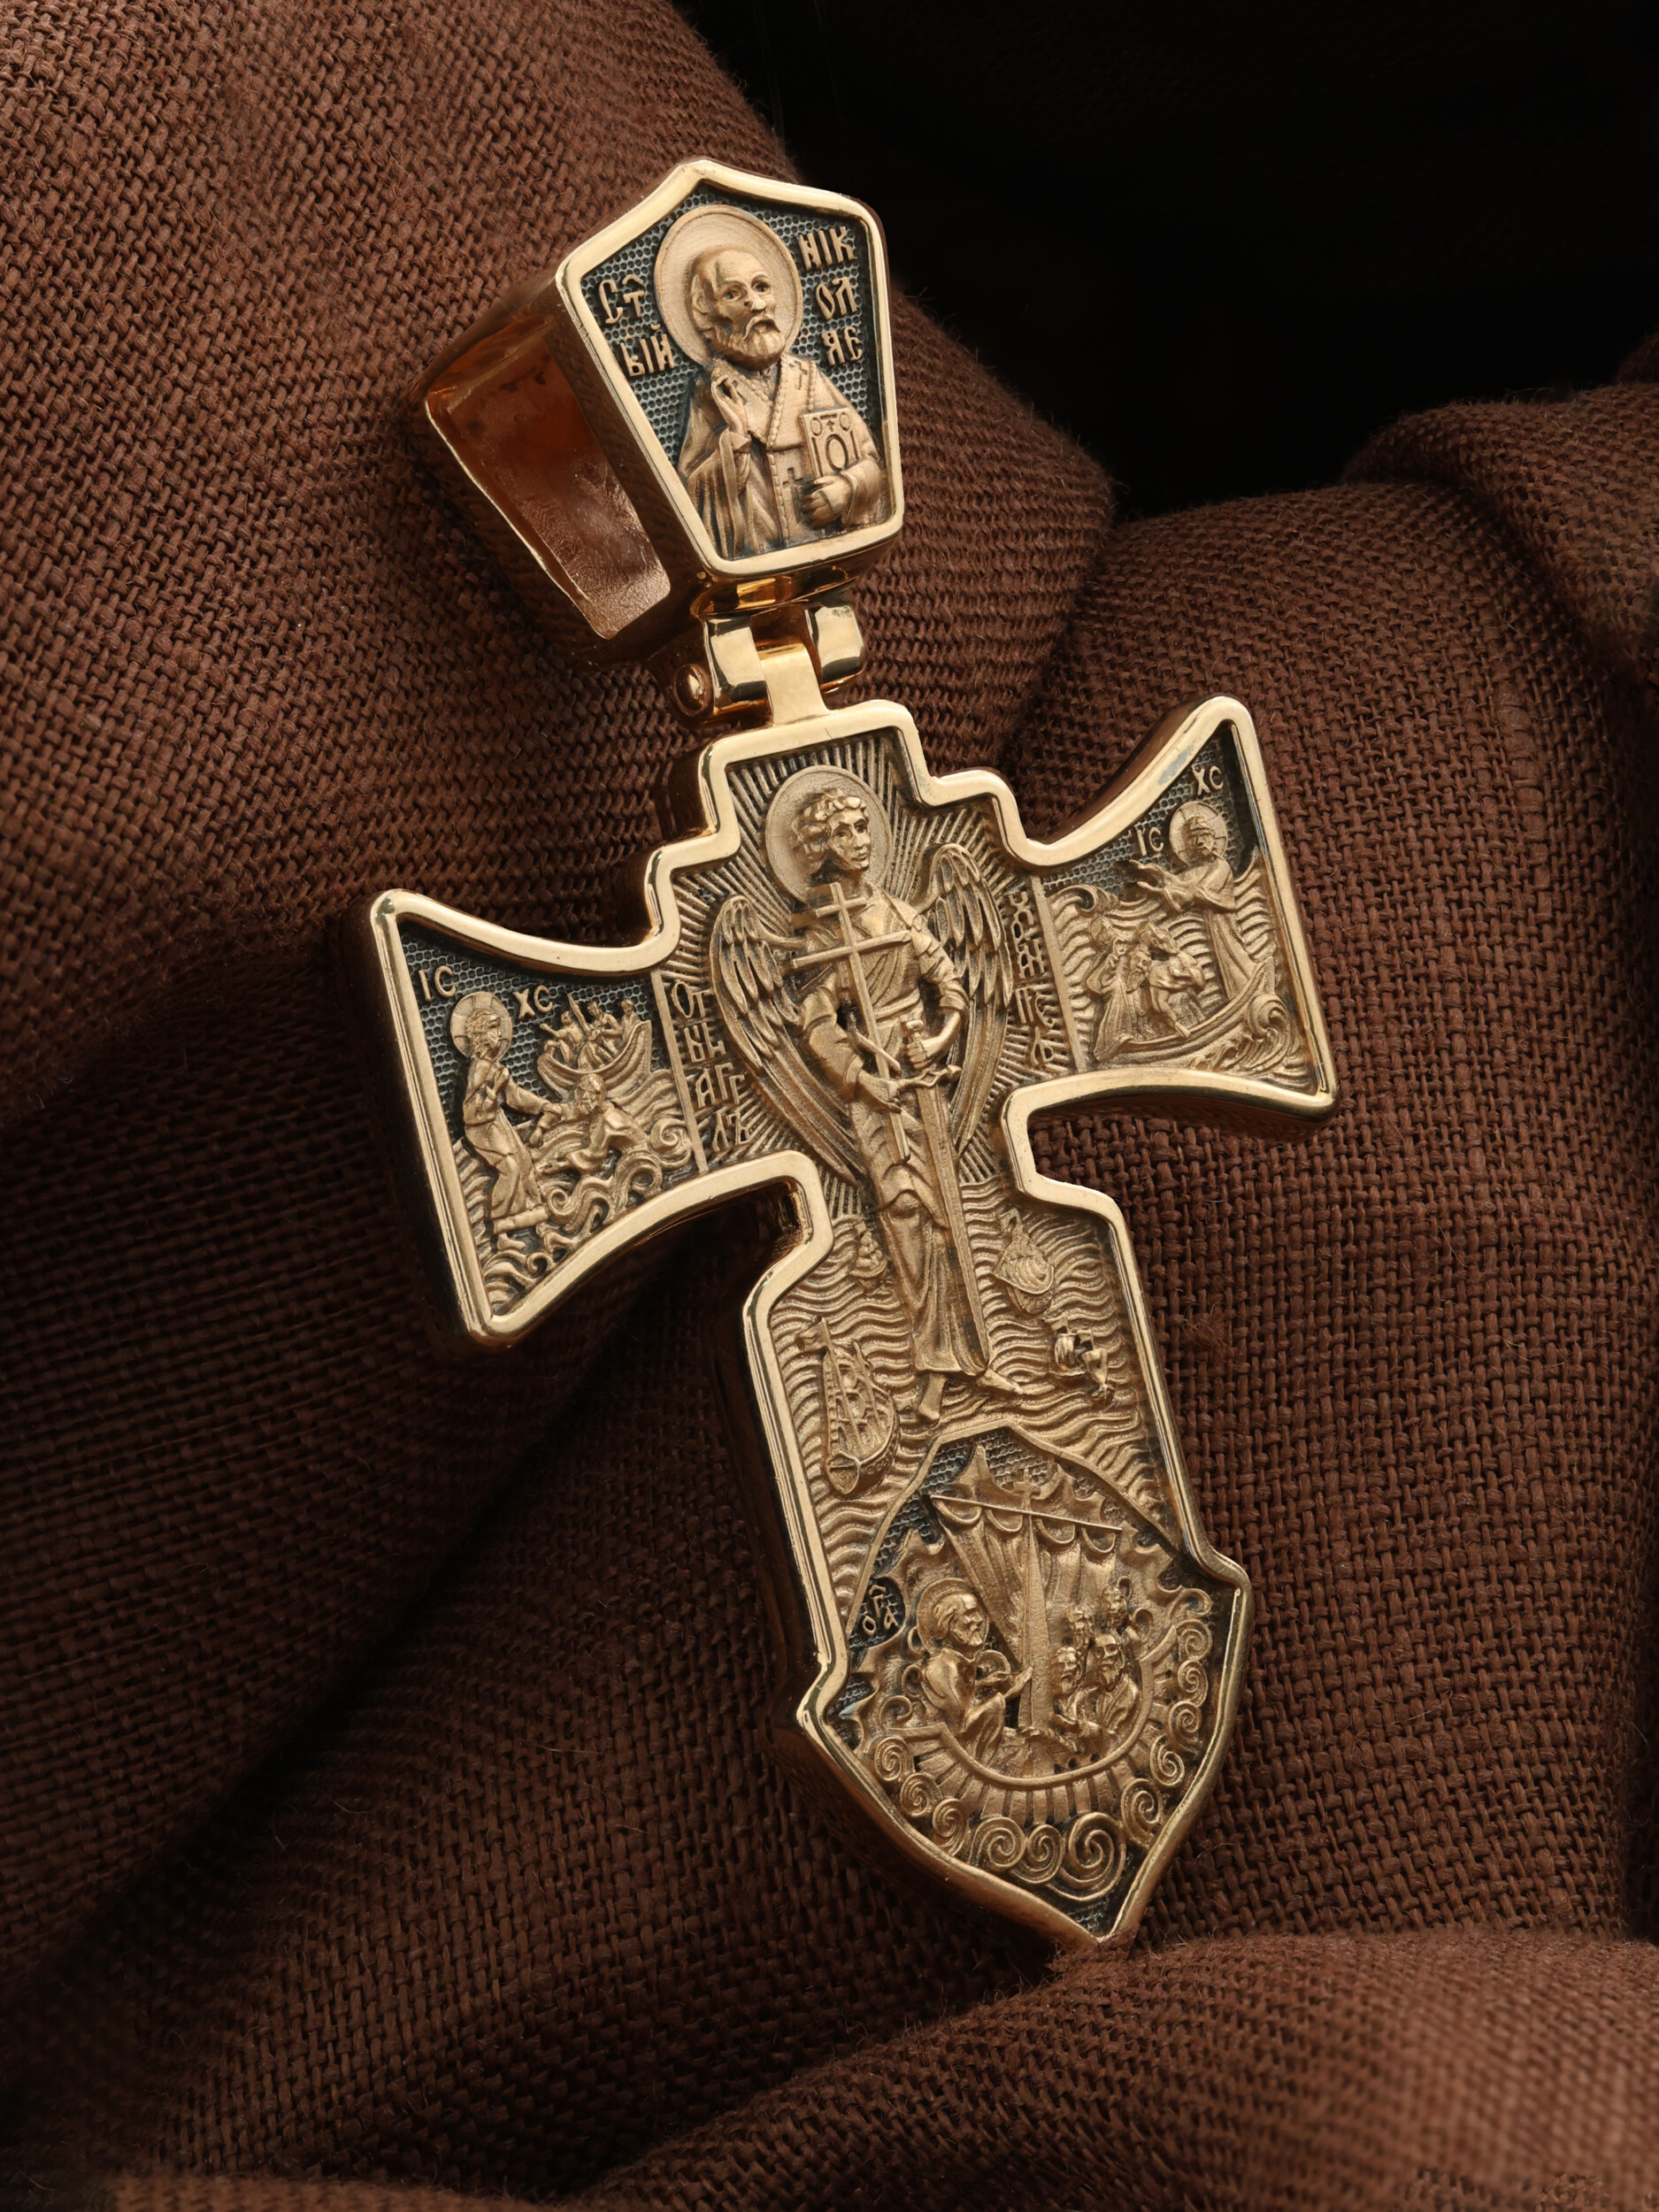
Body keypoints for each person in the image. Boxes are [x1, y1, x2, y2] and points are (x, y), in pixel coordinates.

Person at [787, 787, 1007, 1422]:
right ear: (822, 847)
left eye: (863, 826)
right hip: (877, 1087)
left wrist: (937, 1040)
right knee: (906, 1213)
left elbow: (952, 987)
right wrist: (860, 1079)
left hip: (924, 1077)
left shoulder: (902, 913)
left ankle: (975, 1360)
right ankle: (932, 1370)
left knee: (947, 1212)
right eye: (844, 831)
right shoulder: (822, 931)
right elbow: (816, 1024)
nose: (860, 840)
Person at [675, 240, 887, 559]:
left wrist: (846, 488)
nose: (757, 304)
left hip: (832, 552)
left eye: (761, 287)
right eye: (732, 294)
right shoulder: (712, 393)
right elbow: (692, 494)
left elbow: (871, 462)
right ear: (705, 313)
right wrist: (734, 443)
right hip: (756, 565)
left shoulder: (808, 378)